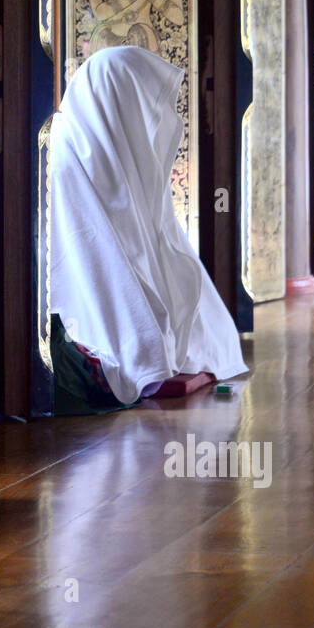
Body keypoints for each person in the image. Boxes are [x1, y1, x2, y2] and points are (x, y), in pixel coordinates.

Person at [48, 46, 248, 410]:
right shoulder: (68, 153)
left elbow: (156, 244)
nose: (146, 119)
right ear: (116, 97)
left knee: (193, 336)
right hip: (74, 321)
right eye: (136, 104)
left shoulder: (121, 151)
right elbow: (95, 263)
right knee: (145, 345)